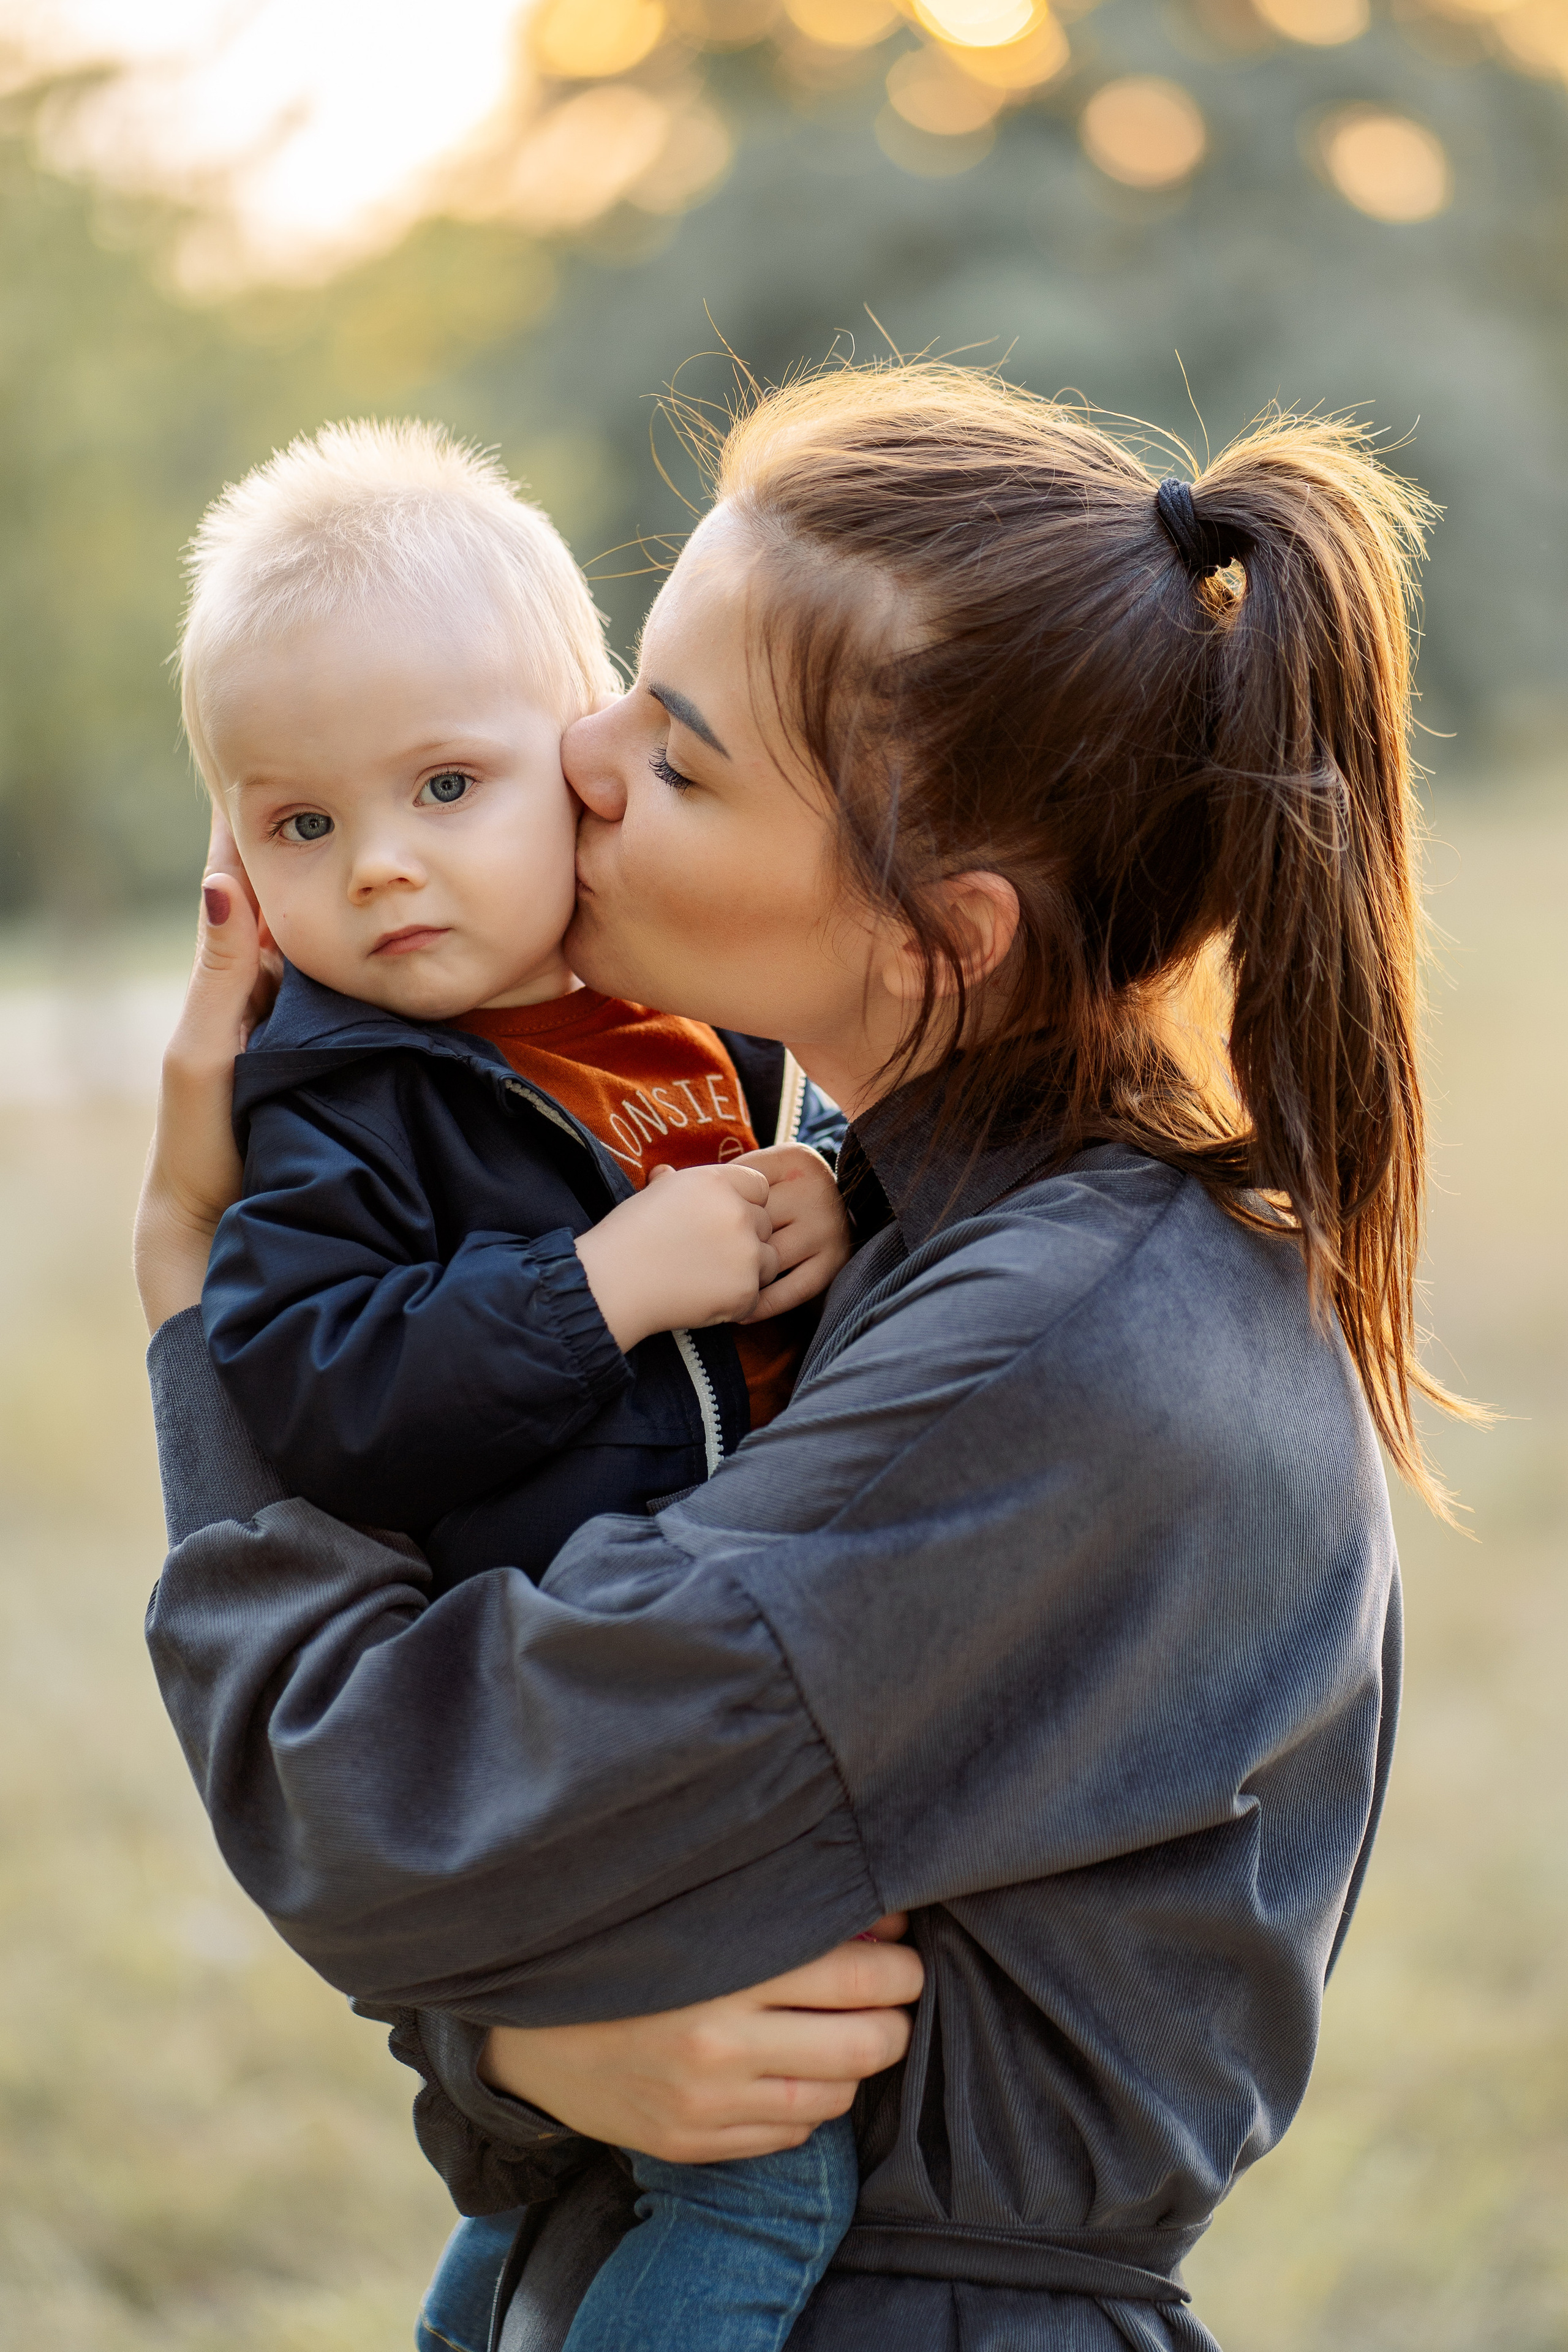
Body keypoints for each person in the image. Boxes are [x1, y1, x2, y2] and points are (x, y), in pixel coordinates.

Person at [137, 364, 1462, 2352]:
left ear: (947, 934)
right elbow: (603, 1830)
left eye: (673, 759)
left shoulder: (1054, 1356)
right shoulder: (897, 1207)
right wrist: (530, 2059)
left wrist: (190, 1314)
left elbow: (413, 1815)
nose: (574, 755)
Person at [175, 416, 863, 2350]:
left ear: (585, 757)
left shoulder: (683, 1007)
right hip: (548, 1725)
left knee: (583, 2175)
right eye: (302, 825)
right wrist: (603, 1287)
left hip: (682, 1678)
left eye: (448, 784)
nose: (383, 866)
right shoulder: (337, 1101)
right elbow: (316, 1389)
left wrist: (819, 1191)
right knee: (762, 2180)